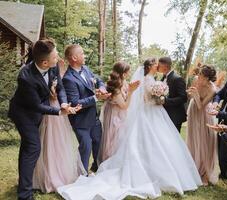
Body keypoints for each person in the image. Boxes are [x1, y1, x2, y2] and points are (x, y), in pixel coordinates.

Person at [57, 58, 202, 200]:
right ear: (150, 66)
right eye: (155, 64)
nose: (157, 65)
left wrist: (160, 97)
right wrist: (157, 96)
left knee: (160, 141)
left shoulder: (152, 79)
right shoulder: (147, 80)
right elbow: (143, 99)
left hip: (155, 112)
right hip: (149, 112)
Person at [8, 39, 78, 200]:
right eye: (55, 56)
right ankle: (25, 195)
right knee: (33, 146)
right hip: (23, 113)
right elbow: (36, 105)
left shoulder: (53, 68)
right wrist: (60, 112)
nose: (59, 57)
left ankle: (26, 182)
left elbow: (59, 87)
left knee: (28, 147)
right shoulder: (25, 77)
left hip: (38, 111)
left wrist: (65, 103)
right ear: (45, 62)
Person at [32, 59, 86, 193]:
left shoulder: (58, 70)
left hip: (59, 107)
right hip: (48, 108)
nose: (58, 60)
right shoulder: (37, 70)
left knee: (60, 140)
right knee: (48, 140)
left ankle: (61, 172)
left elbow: (62, 89)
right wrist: (50, 92)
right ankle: (48, 175)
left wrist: (59, 98)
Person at [62, 44, 110, 173]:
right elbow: (76, 102)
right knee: (86, 147)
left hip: (93, 117)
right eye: (82, 53)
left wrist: (102, 88)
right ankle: (82, 175)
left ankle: (98, 168)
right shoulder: (68, 79)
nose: (85, 55)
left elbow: (98, 81)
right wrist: (96, 98)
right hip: (81, 121)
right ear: (74, 57)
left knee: (98, 144)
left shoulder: (86, 69)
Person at [99, 61, 140, 163]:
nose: (129, 74)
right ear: (123, 73)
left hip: (120, 115)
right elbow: (124, 106)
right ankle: (111, 162)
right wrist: (130, 92)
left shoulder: (123, 83)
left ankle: (120, 161)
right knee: (114, 139)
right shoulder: (116, 89)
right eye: (128, 72)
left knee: (121, 139)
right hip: (115, 116)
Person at [186, 64, 218, 185]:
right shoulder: (195, 80)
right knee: (193, 139)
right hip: (193, 110)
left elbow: (201, 106)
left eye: (201, 75)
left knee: (204, 141)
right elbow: (191, 94)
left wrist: (195, 95)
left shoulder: (212, 90)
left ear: (208, 78)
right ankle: (193, 167)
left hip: (204, 114)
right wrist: (191, 93)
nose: (198, 77)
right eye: (198, 74)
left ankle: (204, 172)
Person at [158, 57, 187, 132]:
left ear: (165, 66)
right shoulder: (163, 78)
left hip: (175, 116)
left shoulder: (177, 79)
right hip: (165, 115)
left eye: (159, 65)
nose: (157, 67)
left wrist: (166, 101)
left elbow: (183, 98)